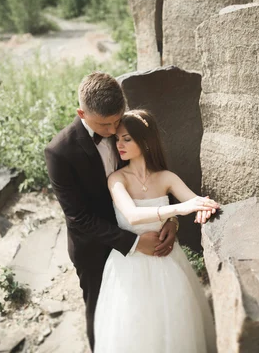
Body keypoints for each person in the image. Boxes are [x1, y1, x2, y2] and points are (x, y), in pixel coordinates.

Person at [44, 72, 181, 350]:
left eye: (117, 120)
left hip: (144, 232)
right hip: (94, 248)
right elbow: (78, 217)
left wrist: (171, 218)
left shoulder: (125, 128)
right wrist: (132, 242)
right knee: (103, 318)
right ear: (81, 113)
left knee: (149, 310)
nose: (113, 130)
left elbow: (152, 175)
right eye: (104, 124)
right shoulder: (59, 152)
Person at [94, 109, 219, 353]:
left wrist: (203, 208)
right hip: (128, 266)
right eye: (117, 139)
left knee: (174, 326)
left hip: (167, 263)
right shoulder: (118, 179)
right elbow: (132, 215)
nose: (119, 144)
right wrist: (179, 210)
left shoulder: (166, 178)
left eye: (127, 139)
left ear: (145, 140)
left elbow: (196, 202)